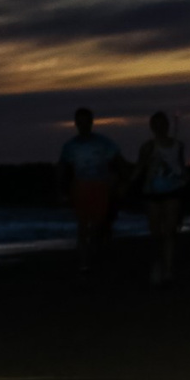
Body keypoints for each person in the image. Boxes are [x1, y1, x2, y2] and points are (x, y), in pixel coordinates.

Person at [55, 107, 128, 274]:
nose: (82, 125)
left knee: (98, 226)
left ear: (91, 122)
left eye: (85, 121)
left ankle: (95, 256)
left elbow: (119, 161)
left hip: (100, 187)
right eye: (79, 122)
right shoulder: (70, 146)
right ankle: (84, 265)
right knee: (82, 226)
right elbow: (62, 167)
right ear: (75, 123)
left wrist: (123, 183)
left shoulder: (103, 142)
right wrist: (60, 189)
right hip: (80, 187)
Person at [133, 110, 189, 285]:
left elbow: (180, 165)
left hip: (173, 190)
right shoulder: (147, 146)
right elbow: (140, 167)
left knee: (170, 232)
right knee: (156, 232)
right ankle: (159, 261)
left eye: (162, 123)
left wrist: (186, 177)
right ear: (152, 127)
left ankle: (168, 270)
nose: (160, 127)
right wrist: (127, 183)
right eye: (156, 124)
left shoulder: (178, 145)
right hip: (152, 192)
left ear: (167, 125)